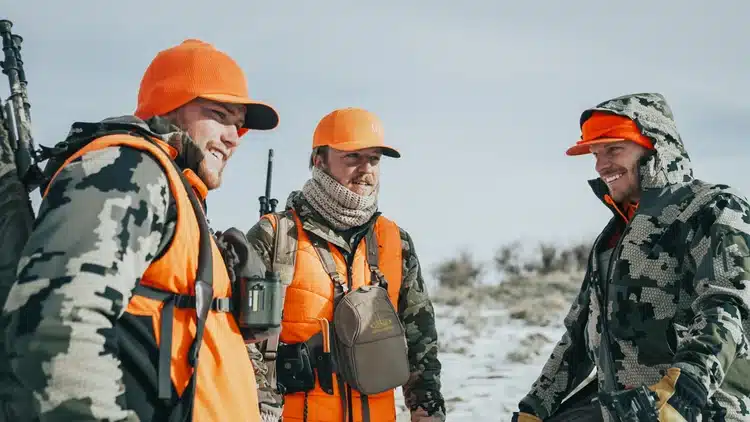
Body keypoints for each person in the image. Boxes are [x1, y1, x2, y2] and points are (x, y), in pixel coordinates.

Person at [0, 39, 279, 421]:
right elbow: (54, 329)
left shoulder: (178, 192)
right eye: (219, 114)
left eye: (239, 123)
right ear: (170, 105)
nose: (234, 137)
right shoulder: (129, 170)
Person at [511, 92, 750, 422]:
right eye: (595, 153)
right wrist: (535, 407)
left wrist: (682, 393)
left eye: (613, 149)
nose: (600, 164)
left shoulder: (712, 208)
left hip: (701, 409)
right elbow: (579, 335)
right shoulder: (612, 237)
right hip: (627, 410)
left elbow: (725, 305)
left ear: (656, 146)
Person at [244, 107, 446, 422]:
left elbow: (421, 342)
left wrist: (427, 411)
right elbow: (241, 343)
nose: (366, 169)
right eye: (352, 157)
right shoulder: (275, 235)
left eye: (374, 159)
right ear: (319, 160)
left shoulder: (395, 240)